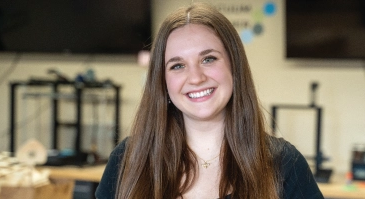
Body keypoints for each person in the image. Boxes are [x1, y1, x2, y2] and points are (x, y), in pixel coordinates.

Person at [95, 2, 323, 199]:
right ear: (162, 82)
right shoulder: (127, 160)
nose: (195, 77)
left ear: (234, 66)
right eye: (177, 65)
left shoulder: (284, 164)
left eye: (208, 59)